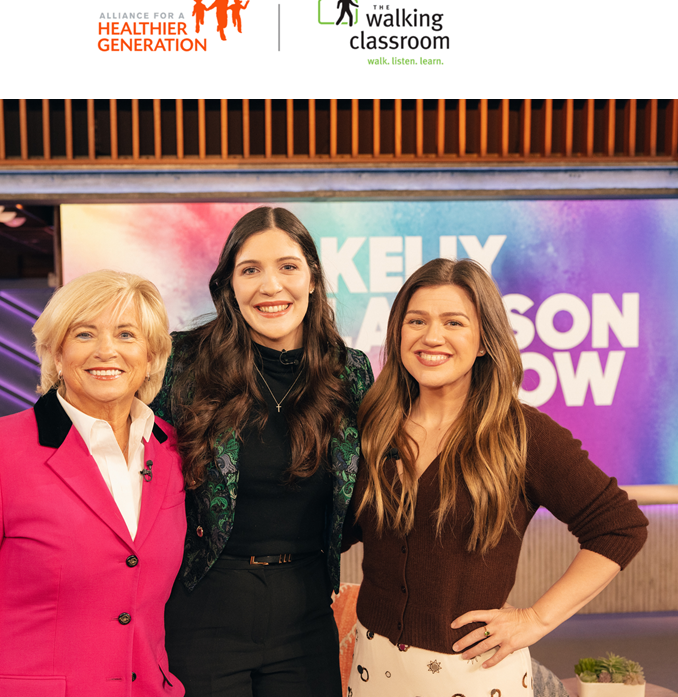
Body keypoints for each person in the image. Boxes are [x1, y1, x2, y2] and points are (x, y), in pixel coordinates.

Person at [345, 258, 648, 696]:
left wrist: (536, 619)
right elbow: (346, 528)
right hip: (373, 667)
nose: (432, 336)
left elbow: (619, 525)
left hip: (474, 676)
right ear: (398, 333)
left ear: (485, 341)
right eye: (417, 320)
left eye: (454, 322)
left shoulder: (522, 434)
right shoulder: (374, 426)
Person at [0, 270, 186, 697]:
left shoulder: (172, 450)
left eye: (126, 334)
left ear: (151, 357)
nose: (106, 350)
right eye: (84, 334)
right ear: (56, 354)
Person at [151, 206, 374, 697]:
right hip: (202, 606)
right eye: (250, 270)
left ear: (312, 278)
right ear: (229, 285)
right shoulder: (181, 361)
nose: (271, 286)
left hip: (307, 609)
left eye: (288, 267)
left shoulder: (349, 371)